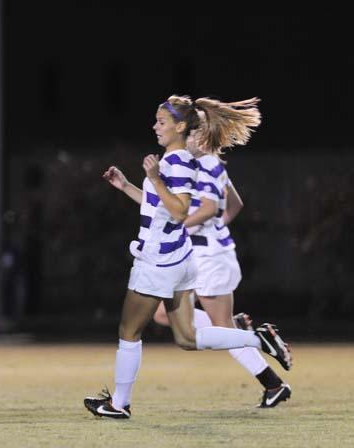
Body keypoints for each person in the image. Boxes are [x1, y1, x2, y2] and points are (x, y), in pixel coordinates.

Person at [83, 95, 292, 420]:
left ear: (182, 128)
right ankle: (259, 339)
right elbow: (160, 207)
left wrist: (153, 178)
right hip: (179, 259)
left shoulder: (179, 162)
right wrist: (125, 186)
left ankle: (119, 404)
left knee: (129, 330)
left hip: (161, 259)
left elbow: (180, 210)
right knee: (186, 336)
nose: (155, 126)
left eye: (161, 122)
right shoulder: (175, 160)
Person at [152, 101, 291, 408]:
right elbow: (234, 206)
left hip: (211, 260)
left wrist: (181, 228)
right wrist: (216, 228)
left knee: (220, 332)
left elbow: (209, 208)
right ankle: (254, 345)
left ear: (200, 136)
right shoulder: (201, 164)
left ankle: (270, 376)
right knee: (164, 314)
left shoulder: (208, 164)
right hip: (204, 255)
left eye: (188, 133)